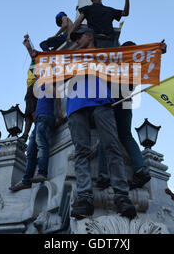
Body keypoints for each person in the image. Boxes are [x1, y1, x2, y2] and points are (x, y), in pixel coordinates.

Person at [65, 26, 139, 220]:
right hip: (76, 105)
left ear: (90, 36)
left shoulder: (106, 55)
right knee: (81, 151)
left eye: (79, 37)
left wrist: (155, 52)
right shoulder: (70, 59)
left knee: (112, 147)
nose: (77, 41)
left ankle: (122, 197)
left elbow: (130, 59)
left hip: (100, 101)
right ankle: (85, 198)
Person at [96, 41, 156, 190]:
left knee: (106, 135)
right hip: (127, 100)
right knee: (126, 135)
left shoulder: (116, 63)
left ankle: (104, 173)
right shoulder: (136, 67)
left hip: (113, 100)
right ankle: (141, 167)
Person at [10, 85, 63, 192]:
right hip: (39, 120)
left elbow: (57, 94)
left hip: (45, 117)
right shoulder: (40, 88)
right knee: (30, 151)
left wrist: (59, 111)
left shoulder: (48, 84)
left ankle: (42, 172)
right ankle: (26, 180)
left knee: (41, 144)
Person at [67, 0, 133, 48]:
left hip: (111, 42)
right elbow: (77, 23)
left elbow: (125, 13)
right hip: (97, 42)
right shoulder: (87, 9)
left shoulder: (109, 10)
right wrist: (69, 35)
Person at [19, 34, 38, 143]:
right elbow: (31, 50)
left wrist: (27, 42)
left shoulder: (38, 61)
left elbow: (30, 49)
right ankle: (25, 134)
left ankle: (36, 127)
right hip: (30, 87)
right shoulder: (35, 61)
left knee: (32, 109)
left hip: (33, 86)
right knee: (28, 112)